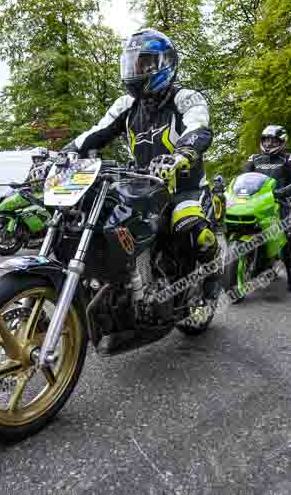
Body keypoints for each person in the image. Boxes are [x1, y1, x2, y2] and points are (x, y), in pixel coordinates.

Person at [61, 28, 221, 303]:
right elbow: (96, 133)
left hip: (185, 188)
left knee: (193, 230)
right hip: (142, 187)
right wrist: (64, 154)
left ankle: (212, 273)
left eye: (144, 63)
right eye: (132, 63)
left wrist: (182, 153)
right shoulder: (126, 104)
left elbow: (199, 128)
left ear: (164, 63)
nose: (137, 70)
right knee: (101, 221)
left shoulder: (186, 97)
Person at [242, 125, 291, 293]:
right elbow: (242, 178)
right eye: (266, 140)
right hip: (254, 203)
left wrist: (280, 193)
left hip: (280, 203)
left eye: (273, 140)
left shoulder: (289, 159)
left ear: (282, 142)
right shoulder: (253, 158)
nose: (268, 144)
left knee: (288, 237)